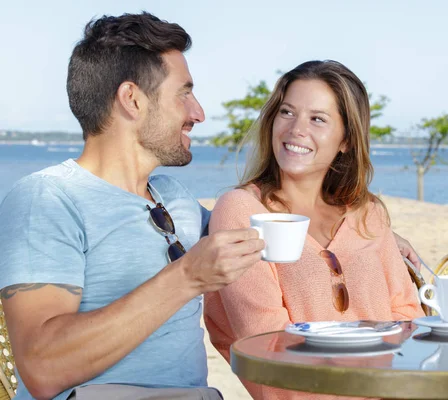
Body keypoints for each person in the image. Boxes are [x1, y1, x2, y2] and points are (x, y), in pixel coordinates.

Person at [0, 12, 265, 400]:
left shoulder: (173, 195)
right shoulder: (48, 198)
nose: (198, 113)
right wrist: (187, 277)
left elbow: (259, 233)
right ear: (132, 100)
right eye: (184, 93)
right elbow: (42, 368)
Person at [204, 60, 425, 400]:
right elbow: (266, 344)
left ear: (347, 140)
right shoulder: (241, 211)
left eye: (317, 119)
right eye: (287, 112)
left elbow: (408, 319)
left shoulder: (368, 214)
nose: (295, 130)